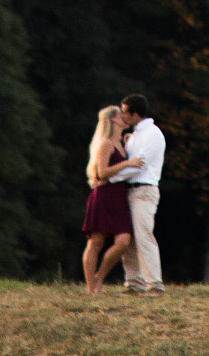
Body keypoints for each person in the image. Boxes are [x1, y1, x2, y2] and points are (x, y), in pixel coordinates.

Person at [80, 105, 143, 294]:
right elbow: (102, 172)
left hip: (119, 198)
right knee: (95, 243)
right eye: (120, 114)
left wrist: (127, 146)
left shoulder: (120, 143)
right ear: (112, 120)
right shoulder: (106, 143)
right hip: (104, 196)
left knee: (123, 242)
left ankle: (99, 277)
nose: (124, 116)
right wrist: (127, 162)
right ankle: (92, 288)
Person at [111, 93, 167, 294]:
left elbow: (138, 166)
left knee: (144, 236)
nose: (122, 116)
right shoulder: (135, 135)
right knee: (128, 239)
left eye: (125, 112)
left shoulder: (152, 133)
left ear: (135, 114)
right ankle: (134, 282)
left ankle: (155, 284)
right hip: (130, 190)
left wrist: (109, 178)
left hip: (144, 190)